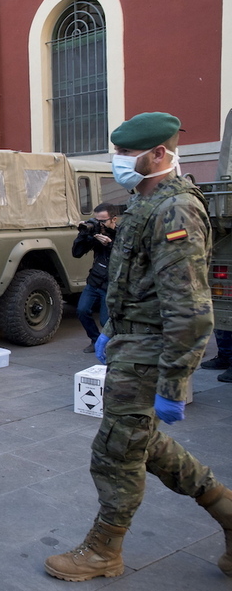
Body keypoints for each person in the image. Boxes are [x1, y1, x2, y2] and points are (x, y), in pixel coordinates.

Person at [45, 113, 232, 581]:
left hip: (151, 356)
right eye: (119, 152)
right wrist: (110, 329)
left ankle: (104, 550)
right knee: (141, 443)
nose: (119, 161)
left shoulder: (176, 210)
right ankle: (228, 512)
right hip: (132, 346)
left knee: (115, 453)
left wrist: (174, 383)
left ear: (160, 154)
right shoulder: (142, 202)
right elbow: (132, 285)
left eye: (128, 153)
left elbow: (189, 309)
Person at [72, 203, 119, 353]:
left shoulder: (122, 235)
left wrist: (109, 244)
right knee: (82, 310)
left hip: (111, 285)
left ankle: (111, 345)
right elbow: (76, 253)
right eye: (96, 220)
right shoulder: (95, 234)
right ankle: (95, 340)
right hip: (94, 281)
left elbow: (126, 258)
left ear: (114, 219)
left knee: (106, 321)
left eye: (103, 221)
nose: (100, 224)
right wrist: (84, 235)